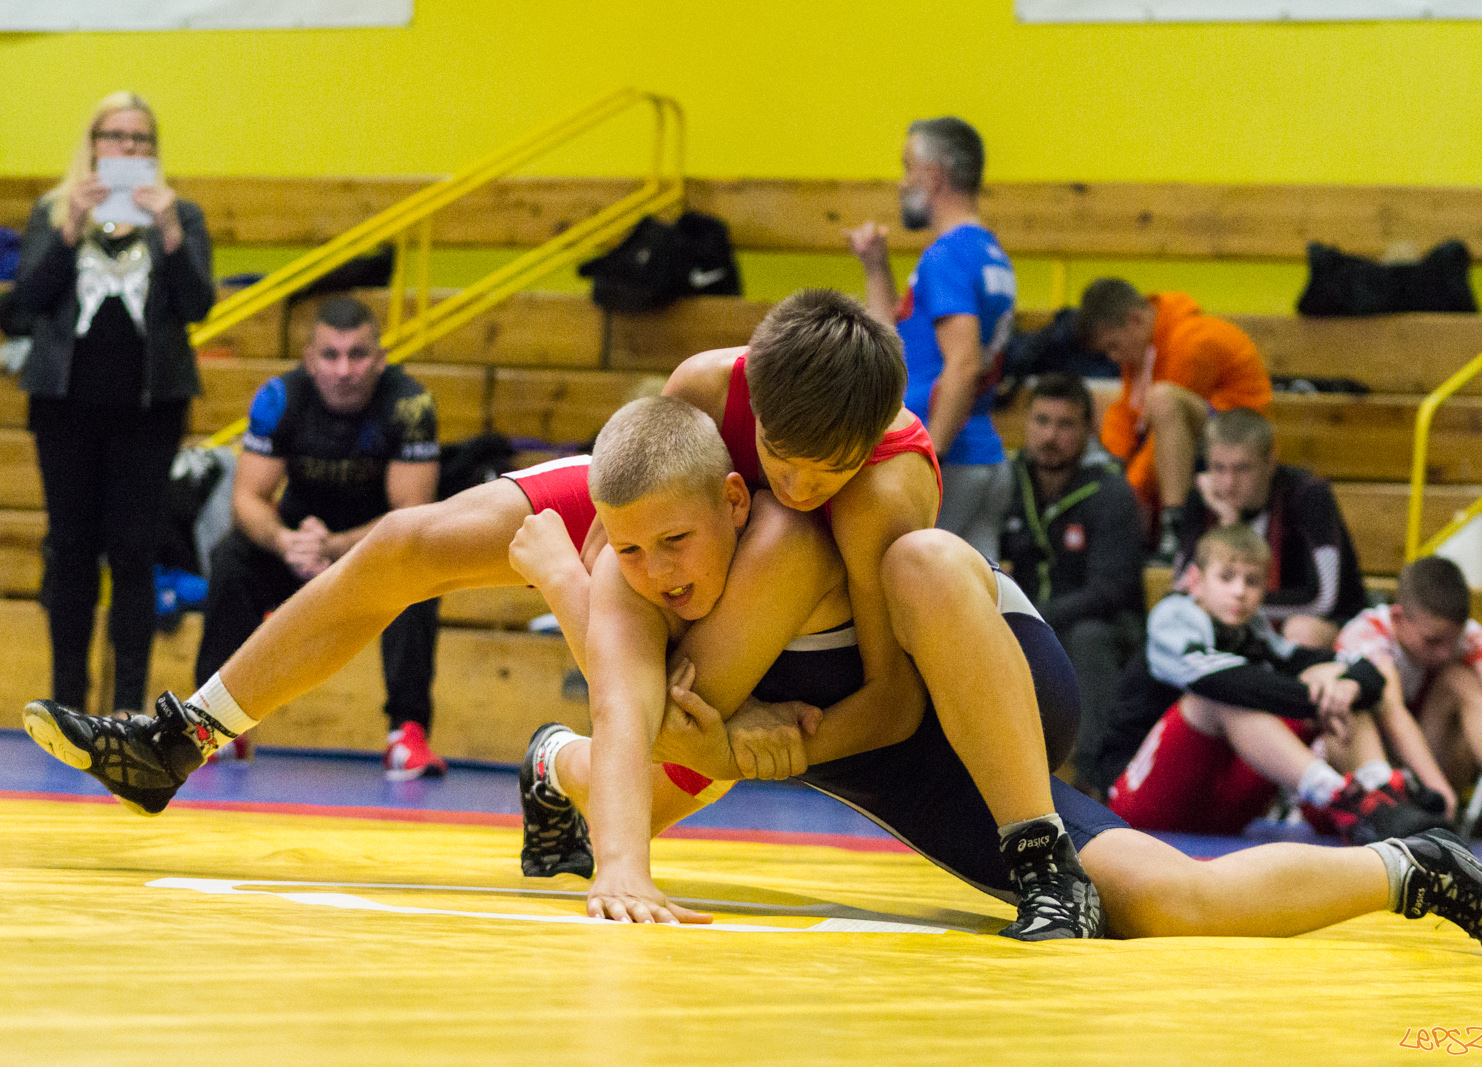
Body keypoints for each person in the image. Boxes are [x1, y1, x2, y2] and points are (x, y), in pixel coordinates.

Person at [21, 289, 1107, 940]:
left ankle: (560, 771)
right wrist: (574, 575)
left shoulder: (886, 492)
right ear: (750, 404)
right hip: (682, 516)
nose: (801, 479)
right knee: (406, 544)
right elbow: (617, 560)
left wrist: (749, 746)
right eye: (779, 452)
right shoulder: (708, 388)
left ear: (868, 440)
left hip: (778, 634)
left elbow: (886, 693)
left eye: (825, 466)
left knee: (673, 729)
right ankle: (185, 735)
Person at [510, 461, 1482, 958]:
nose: (656, 571)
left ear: (740, 499)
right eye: (629, 551)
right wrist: (580, 587)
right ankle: (1415, 867)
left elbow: (836, 683)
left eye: (674, 544)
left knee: (919, 564)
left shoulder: (831, 525)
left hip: (999, 696)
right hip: (918, 772)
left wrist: (747, 739)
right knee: (1174, 903)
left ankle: (1035, 844)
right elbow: (646, 714)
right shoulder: (645, 594)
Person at [12, 91, 213, 715]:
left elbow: (197, 308)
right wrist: (69, 230)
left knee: (135, 552)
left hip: (149, 411)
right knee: (69, 549)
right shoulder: (52, 211)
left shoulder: (183, 215)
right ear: (93, 143)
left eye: (140, 140)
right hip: (64, 407)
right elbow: (20, 309)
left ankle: (127, 703)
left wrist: (173, 234)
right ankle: (66, 700)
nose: (127, 149)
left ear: (155, 150)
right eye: (115, 137)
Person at [195, 295, 445, 779]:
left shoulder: (410, 405)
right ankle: (215, 725)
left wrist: (331, 547)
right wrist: (287, 542)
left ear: (380, 359)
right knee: (231, 558)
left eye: (358, 355)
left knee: (421, 567)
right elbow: (247, 499)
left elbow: (411, 514)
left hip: (376, 547)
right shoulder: (279, 398)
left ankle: (407, 732)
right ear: (310, 359)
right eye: (331, 355)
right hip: (296, 543)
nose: (344, 369)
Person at [1104, 525, 1448, 844]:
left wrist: (1347, 688)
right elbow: (1223, 682)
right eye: (1226, 578)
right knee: (1217, 696)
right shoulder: (1172, 617)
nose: (1239, 592)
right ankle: (1340, 797)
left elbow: (1360, 668)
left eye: (1252, 581)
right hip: (1141, 806)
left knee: (1331, 679)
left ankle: (1379, 794)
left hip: (1221, 811)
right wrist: (1317, 699)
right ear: (1195, 582)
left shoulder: (1256, 633)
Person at [847, 117, 1015, 560]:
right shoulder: (989, 254)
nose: (902, 183)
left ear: (935, 175)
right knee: (984, 603)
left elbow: (963, 364)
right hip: (983, 457)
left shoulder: (946, 257)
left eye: (908, 168)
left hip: (949, 458)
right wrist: (875, 267)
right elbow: (894, 348)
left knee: (910, 589)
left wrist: (929, 457)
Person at [997, 372, 1145, 788]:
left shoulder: (1111, 492)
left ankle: (1093, 775)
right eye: (1041, 421)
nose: (1050, 435)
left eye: (1065, 425)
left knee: (1089, 635)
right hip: (1029, 619)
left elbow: (1110, 592)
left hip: (1106, 629)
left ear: (1086, 431)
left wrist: (1033, 618)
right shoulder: (1008, 480)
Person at [1337, 556, 1482, 848]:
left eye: (1450, 642)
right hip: (1369, 766)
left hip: (1429, 760)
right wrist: (1439, 789)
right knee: (1359, 709)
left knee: (1458, 679)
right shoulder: (1367, 633)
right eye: (1432, 641)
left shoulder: (1461, 634)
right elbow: (1393, 713)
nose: (1443, 653)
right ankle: (1408, 802)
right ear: (1398, 618)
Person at [1077, 278, 1271, 561]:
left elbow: (1162, 431)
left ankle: (1174, 525)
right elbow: (1130, 416)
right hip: (1208, 431)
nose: (1114, 357)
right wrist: (1111, 469)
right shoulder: (1146, 350)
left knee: (1163, 399)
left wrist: (1126, 496)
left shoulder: (1191, 340)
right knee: (1115, 411)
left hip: (1241, 433)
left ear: (1135, 319)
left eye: (1114, 346)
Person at [1170, 408, 1367, 648]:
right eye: (1219, 468)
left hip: (1319, 622)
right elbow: (1181, 588)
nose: (1228, 483)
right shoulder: (1203, 497)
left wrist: (1233, 602)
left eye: (1242, 469)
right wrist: (1227, 525)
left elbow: (1323, 599)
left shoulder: (1308, 495)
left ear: (1270, 462)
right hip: (1241, 616)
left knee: (1302, 631)